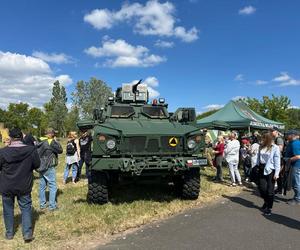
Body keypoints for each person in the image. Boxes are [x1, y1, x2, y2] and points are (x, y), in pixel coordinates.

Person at [0, 128, 40, 242]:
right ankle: (27, 234)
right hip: (24, 184)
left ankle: (9, 234)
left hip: (7, 185)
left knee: (8, 209)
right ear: (22, 137)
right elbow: (37, 164)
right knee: (26, 208)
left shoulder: (2, 152)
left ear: (10, 138)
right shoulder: (31, 150)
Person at [37, 128, 63, 211]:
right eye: (54, 133)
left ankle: (42, 205)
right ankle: (52, 206)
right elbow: (60, 150)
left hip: (41, 166)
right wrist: (55, 141)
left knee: (42, 186)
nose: (55, 135)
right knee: (52, 186)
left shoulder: (39, 140)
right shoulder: (50, 142)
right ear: (50, 134)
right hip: (48, 166)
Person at [257, 133, 281, 215]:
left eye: (263, 139)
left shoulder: (275, 148)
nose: (261, 140)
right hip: (261, 168)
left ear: (268, 139)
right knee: (262, 188)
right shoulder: (261, 146)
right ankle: (266, 201)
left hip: (271, 169)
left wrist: (277, 173)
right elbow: (258, 157)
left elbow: (277, 161)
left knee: (270, 190)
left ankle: (269, 208)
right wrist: (256, 166)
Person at [284, 130, 300, 205]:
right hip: (295, 165)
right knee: (296, 182)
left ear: (293, 135)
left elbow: (298, 156)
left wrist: (287, 159)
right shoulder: (292, 143)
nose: (287, 135)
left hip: (296, 165)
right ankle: (297, 197)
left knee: (296, 183)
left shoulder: (295, 143)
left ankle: (297, 199)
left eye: (288, 134)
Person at [270, 127, 284, 194]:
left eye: (272, 131)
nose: (271, 132)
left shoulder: (279, 139)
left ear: (276, 131)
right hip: (275, 158)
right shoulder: (275, 139)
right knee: (277, 174)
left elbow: (280, 149)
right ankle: (279, 189)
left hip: (279, 158)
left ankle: (279, 189)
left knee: (278, 173)